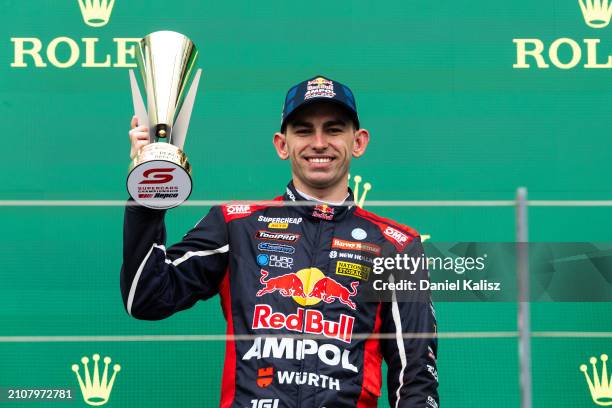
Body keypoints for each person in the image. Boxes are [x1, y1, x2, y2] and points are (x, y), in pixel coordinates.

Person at [121, 75, 439, 408]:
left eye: (333, 129)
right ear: (281, 144)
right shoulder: (236, 224)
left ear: (358, 142)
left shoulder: (396, 245)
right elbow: (147, 297)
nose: (318, 143)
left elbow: (415, 377)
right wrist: (148, 191)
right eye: (303, 130)